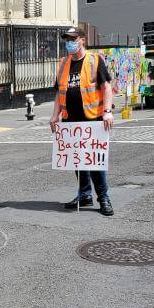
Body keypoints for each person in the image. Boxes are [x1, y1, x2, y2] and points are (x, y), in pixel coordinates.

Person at [50, 27, 115, 216]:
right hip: (71, 119)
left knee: (95, 161)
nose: (69, 42)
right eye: (67, 39)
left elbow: (106, 87)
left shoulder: (94, 60)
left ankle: (103, 197)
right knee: (78, 160)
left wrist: (107, 111)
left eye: (73, 38)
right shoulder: (63, 63)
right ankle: (84, 194)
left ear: (82, 40)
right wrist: (55, 116)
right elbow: (58, 92)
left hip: (92, 118)